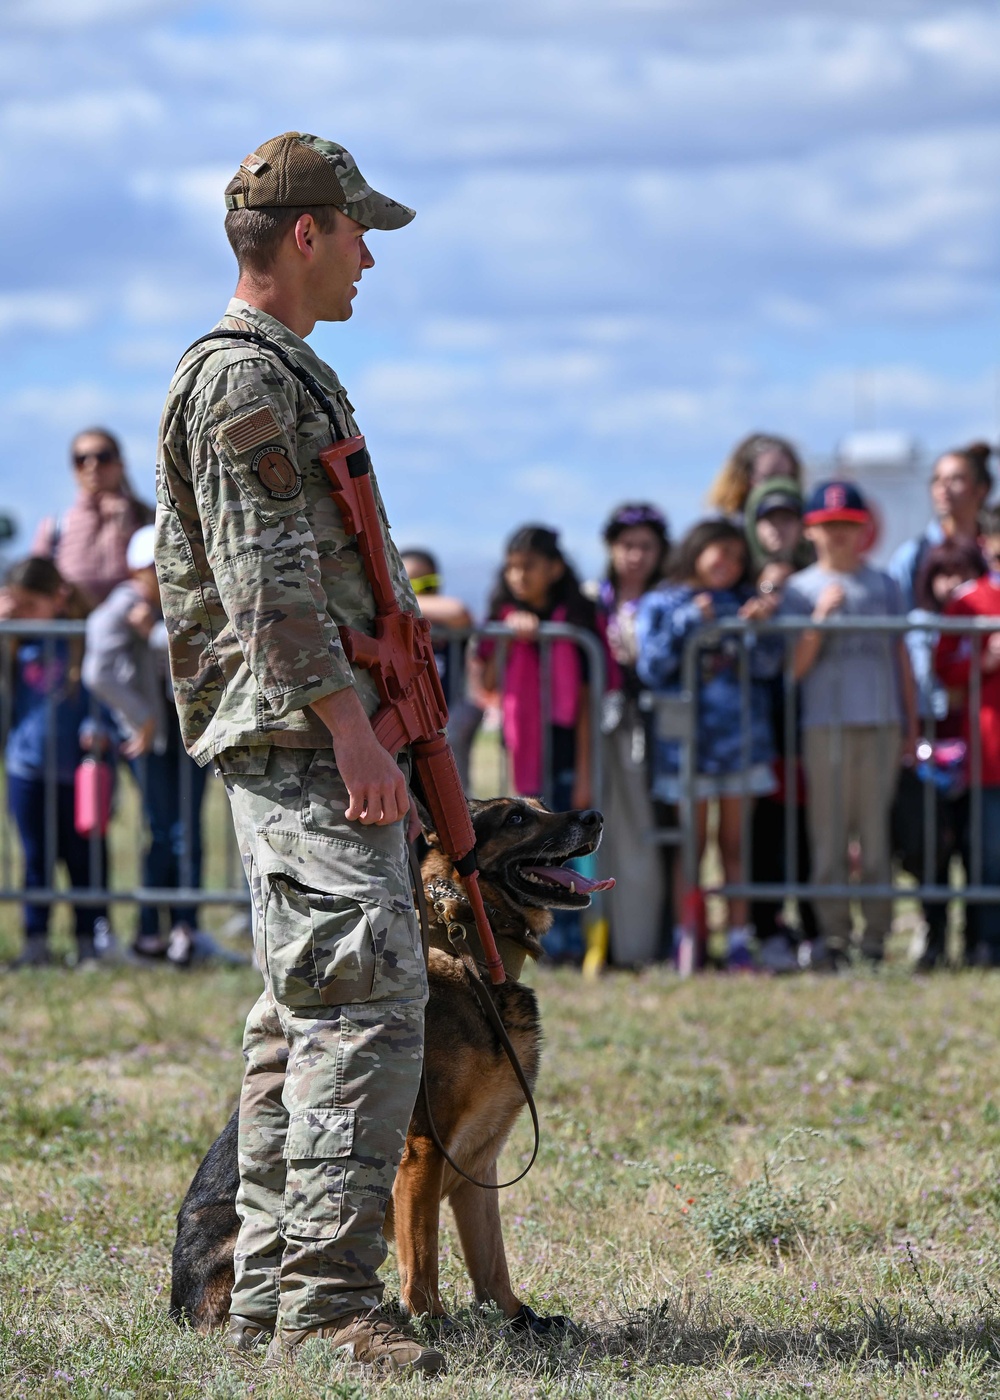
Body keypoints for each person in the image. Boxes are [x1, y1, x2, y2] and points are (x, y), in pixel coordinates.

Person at [154, 133, 441, 1375]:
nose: (371, 255)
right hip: (304, 735)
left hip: (310, 729)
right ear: (306, 233)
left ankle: (275, 1294)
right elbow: (270, 582)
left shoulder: (283, 370)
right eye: (358, 230)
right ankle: (329, 1303)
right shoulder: (242, 381)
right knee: (365, 1001)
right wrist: (350, 729)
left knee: (304, 1008)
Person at [636, 519, 783, 971]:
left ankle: (738, 938)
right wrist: (687, 622)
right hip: (686, 749)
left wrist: (759, 627)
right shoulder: (662, 601)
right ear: (697, 549)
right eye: (721, 552)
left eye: (738, 557)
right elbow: (651, 666)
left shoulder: (744, 601)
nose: (729, 564)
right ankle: (689, 937)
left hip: (741, 742)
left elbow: (766, 666)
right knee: (691, 846)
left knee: (734, 845)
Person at [782, 481, 918, 969]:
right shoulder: (800, 589)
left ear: (864, 531)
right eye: (828, 527)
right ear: (812, 532)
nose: (838, 535)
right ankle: (835, 935)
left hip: (881, 723)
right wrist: (819, 620)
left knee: (876, 835)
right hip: (824, 726)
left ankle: (877, 935)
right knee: (830, 835)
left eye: (847, 526)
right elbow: (793, 668)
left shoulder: (885, 585)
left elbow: (901, 656)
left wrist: (911, 720)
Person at [83, 525, 209, 965]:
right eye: (155, 567)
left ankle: (182, 928)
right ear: (138, 569)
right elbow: (97, 673)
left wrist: (154, 632)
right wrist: (145, 718)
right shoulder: (120, 609)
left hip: (181, 732)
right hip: (153, 739)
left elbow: (195, 646)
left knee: (184, 830)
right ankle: (155, 931)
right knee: (167, 831)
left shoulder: (169, 605)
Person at [479, 524, 604, 963]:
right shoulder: (501, 617)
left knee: (571, 848)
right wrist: (505, 639)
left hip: (570, 752)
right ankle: (544, 939)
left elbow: (590, 700)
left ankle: (574, 941)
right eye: (511, 567)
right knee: (534, 850)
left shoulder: (579, 619)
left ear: (554, 568)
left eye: (528, 566)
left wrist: (588, 769)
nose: (518, 576)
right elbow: (486, 682)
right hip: (527, 754)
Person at [0, 557, 111, 967]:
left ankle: (88, 940)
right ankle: (36, 940)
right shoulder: (16, 640)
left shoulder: (83, 637)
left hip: (79, 773)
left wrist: (99, 728)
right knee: (35, 858)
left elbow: (102, 692)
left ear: (58, 598)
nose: (23, 613)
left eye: (30, 604)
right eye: (17, 605)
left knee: (84, 859)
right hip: (26, 769)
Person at [895, 541, 988, 969]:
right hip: (928, 744)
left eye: (962, 572)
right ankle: (933, 934)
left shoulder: (984, 614)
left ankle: (978, 938)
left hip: (978, 745)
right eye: (942, 573)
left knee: (977, 847)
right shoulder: (916, 626)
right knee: (929, 847)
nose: (951, 583)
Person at [592, 503, 671, 965]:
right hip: (602, 729)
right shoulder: (593, 598)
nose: (636, 555)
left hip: (654, 735)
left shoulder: (670, 600)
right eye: (627, 545)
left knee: (646, 837)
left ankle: (643, 943)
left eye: (646, 546)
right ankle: (603, 942)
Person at [934, 566, 1000, 967]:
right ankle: (986, 942)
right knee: (990, 855)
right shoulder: (967, 600)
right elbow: (943, 668)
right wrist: (986, 659)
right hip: (989, 752)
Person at [33, 428, 153, 608]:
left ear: (120, 465)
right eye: (81, 459)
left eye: (103, 457)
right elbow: (34, 581)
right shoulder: (55, 526)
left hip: (134, 626)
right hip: (68, 627)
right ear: (74, 469)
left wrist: (129, 532)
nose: (92, 465)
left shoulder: (148, 519)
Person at [399, 548, 483, 793]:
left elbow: (458, 612)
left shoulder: (450, 625)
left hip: (442, 732)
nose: (419, 594)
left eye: (428, 585)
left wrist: (400, 595)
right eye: (409, 584)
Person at [707, 433, 805, 520]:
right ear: (745, 478)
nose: (777, 487)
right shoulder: (723, 529)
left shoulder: (802, 529)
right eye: (769, 478)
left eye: (786, 479)